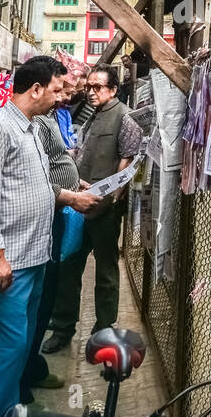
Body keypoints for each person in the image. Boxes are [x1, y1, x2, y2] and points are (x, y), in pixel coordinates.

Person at [0, 56, 66, 417]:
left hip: (31, 257)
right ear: (36, 88)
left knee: (14, 353)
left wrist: (67, 196)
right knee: (1, 356)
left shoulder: (31, 129)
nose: (60, 98)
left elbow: (30, 186)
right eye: (56, 90)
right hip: (8, 262)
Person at [44, 65, 141, 355]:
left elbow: (127, 159)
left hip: (104, 208)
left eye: (98, 87)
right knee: (69, 265)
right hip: (78, 204)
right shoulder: (89, 115)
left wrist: (111, 199)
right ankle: (63, 326)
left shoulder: (124, 117)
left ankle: (103, 328)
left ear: (113, 90)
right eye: (89, 87)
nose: (92, 92)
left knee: (106, 269)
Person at [22, 61, 100, 403]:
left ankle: (30, 364)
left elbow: (55, 162)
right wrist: (69, 194)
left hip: (53, 214)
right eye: (60, 88)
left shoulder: (51, 117)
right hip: (39, 220)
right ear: (37, 88)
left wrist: (75, 182)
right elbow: (35, 178)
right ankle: (20, 378)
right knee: (34, 305)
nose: (66, 93)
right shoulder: (27, 125)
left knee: (45, 294)